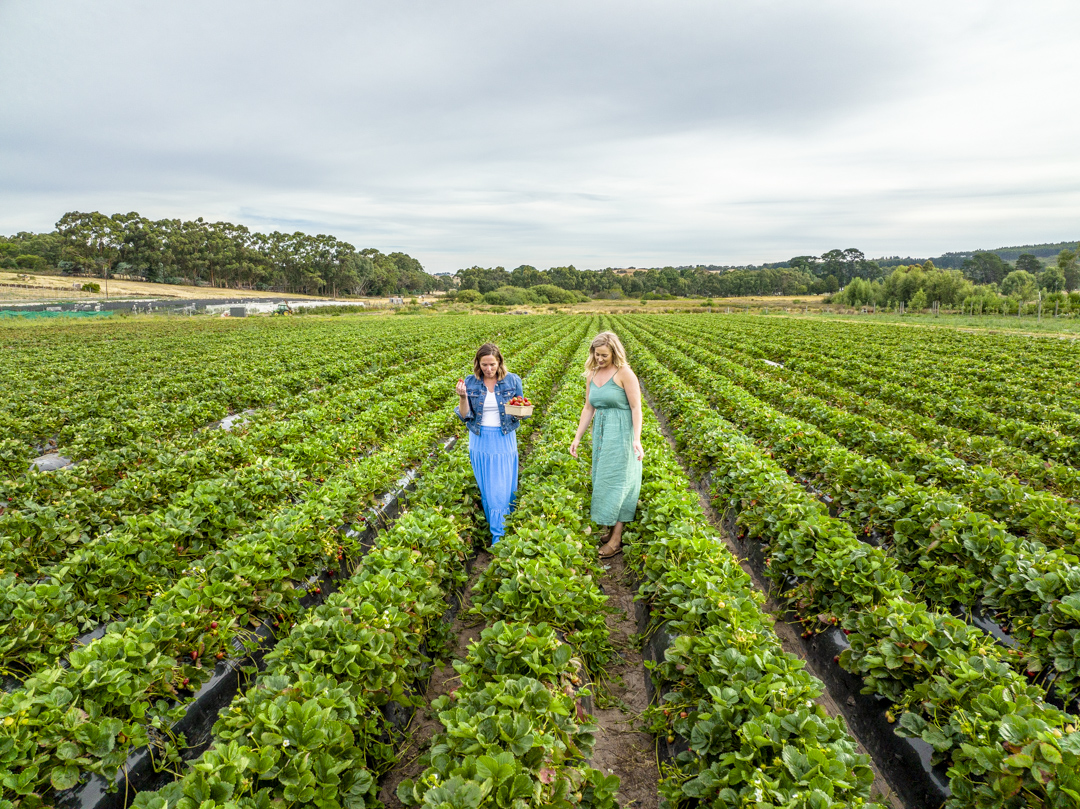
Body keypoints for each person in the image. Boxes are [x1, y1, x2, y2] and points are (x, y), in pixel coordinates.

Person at [569, 331, 644, 559]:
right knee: (603, 479)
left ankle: (616, 539)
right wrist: (578, 437)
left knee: (621, 482)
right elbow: (588, 408)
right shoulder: (591, 374)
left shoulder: (625, 374)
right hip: (601, 434)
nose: (599, 358)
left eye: (603, 355)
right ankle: (611, 530)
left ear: (614, 351)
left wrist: (636, 438)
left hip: (621, 433)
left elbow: (636, 408)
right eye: (596, 354)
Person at [454, 343, 527, 543]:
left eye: (492, 364)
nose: (488, 369)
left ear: (499, 362)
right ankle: (502, 527)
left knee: (501, 490)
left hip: (504, 439)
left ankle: (499, 536)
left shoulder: (512, 380)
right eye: (484, 365)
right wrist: (462, 397)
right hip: (480, 441)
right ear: (478, 364)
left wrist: (521, 412)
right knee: (488, 489)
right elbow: (465, 416)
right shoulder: (470, 382)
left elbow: (522, 407)